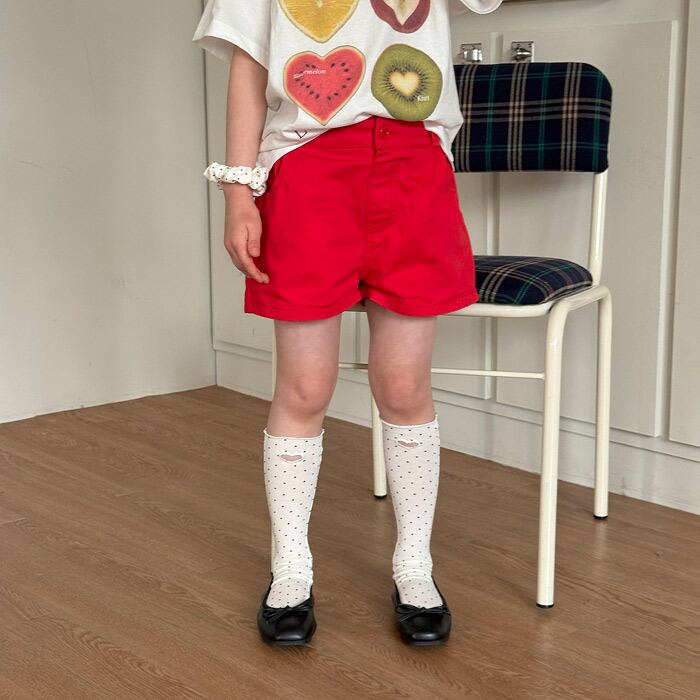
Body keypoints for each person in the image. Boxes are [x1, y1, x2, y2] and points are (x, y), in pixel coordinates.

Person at [192, 0, 503, 647]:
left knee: (404, 387)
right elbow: (249, 66)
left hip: (414, 167)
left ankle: (415, 566)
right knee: (304, 387)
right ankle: (290, 570)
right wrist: (237, 192)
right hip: (307, 170)